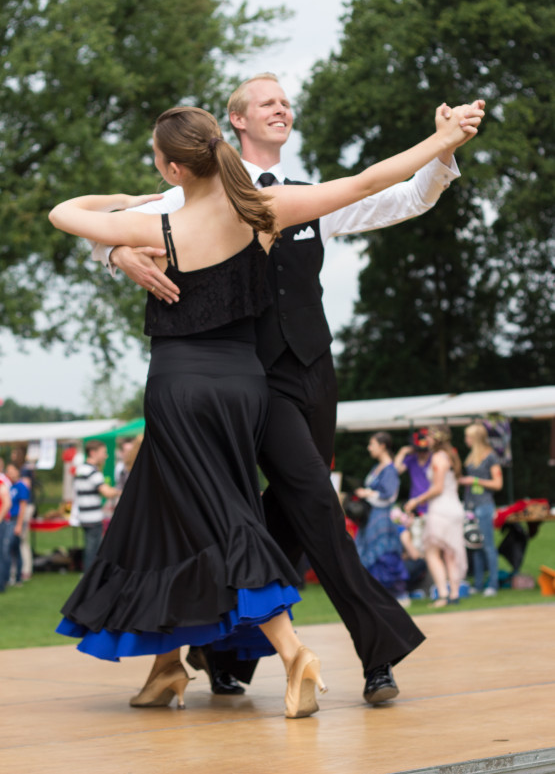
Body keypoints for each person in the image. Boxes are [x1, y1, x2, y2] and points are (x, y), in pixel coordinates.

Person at [50, 101, 475, 715]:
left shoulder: (163, 220)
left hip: (184, 388)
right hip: (247, 386)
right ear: (225, 135)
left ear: (173, 167)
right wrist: (440, 140)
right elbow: (366, 180)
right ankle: (167, 666)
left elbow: (65, 213)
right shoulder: (265, 210)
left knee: (218, 518)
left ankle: (292, 652)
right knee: (169, 513)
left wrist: (126, 204)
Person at [405, 425, 467, 607]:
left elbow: (438, 488)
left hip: (441, 509)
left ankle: (442, 594)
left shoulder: (438, 457)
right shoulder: (452, 455)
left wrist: (416, 500)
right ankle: (454, 594)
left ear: (437, 438)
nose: (427, 439)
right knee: (450, 552)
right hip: (455, 507)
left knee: (432, 552)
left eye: (430, 436)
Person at [354, 433, 408, 601]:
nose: (369, 448)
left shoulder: (390, 469)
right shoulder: (377, 467)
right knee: (369, 551)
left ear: (382, 446)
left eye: (372, 444)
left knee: (384, 552)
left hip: (382, 516)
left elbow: (389, 495)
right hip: (371, 515)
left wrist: (367, 493)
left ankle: (395, 592)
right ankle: (375, 593)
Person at [459, 422, 503, 597]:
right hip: (471, 506)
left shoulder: (491, 457)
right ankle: (478, 584)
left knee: (488, 546)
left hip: (484, 506)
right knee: (475, 546)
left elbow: (498, 484)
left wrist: (475, 481)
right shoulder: (471, 457)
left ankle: (493, 584)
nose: (465, 439)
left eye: (468, 436)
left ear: (475, 438)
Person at [73, 440, 121, 571]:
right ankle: (89, 576)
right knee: (94, 552)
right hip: (93, 517)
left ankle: (89, 575)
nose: (106, 456)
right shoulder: (93, 472)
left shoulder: (80, 469)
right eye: (103, 453)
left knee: (90, 549)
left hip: (84, 516)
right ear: (93, 453)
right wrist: (121, 491)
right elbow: (107, 492)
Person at [394, 429, 432, 515]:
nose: (422, 453)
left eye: (425, 450)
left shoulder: (434, 459)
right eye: (419, 450)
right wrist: (402, 452)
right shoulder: (411, 459)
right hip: (414, 503)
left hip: (431, 502)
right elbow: (396, 471)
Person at [4, 463, 30, 587]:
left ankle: (18, 576)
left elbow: (23, 507)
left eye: (12, 470)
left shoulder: (21, 486)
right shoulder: (8, 485)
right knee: (11, 549)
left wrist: (19, 524)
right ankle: (11, 575)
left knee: (14, 548)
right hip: (8, 520)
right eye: (8, 471)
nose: (11, 473)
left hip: (16, 520)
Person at [0, 464, 12, 593]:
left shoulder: (1, 482)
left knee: (1, 553)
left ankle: (1, 583)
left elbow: (7, 503)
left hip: (2, 522)